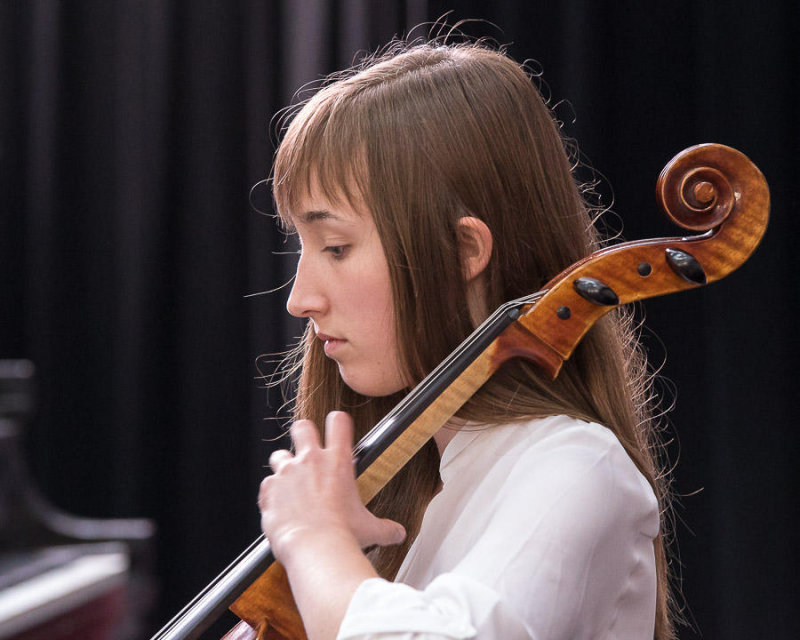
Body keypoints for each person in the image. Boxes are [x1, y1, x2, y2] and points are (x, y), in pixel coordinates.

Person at [258, 39, 675, 640]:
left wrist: (312, 540)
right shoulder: (418, 475)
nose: (300, 299)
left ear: (462, 251)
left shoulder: (576, 469)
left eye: (336, 248)